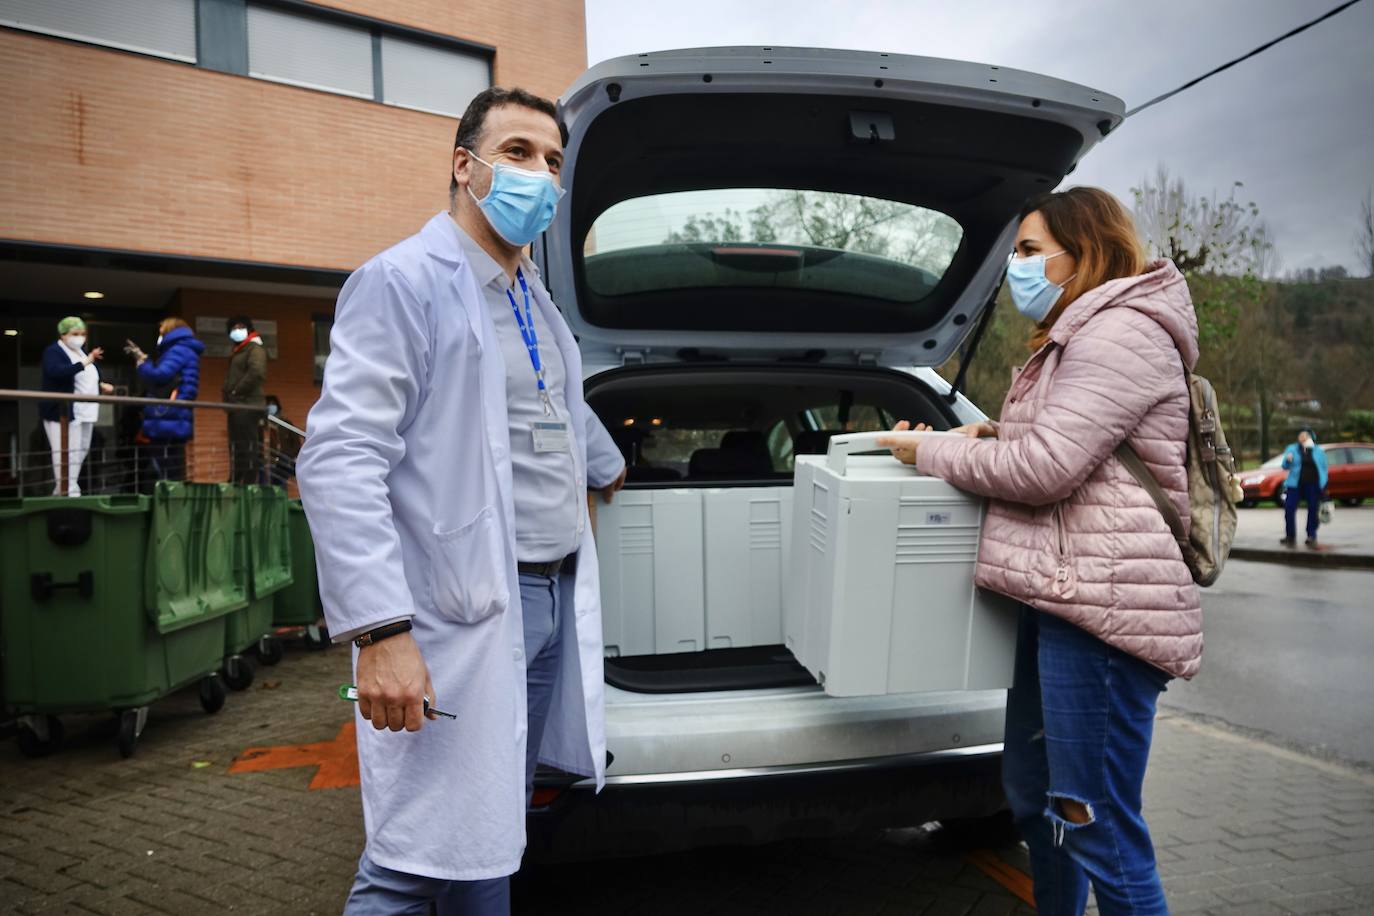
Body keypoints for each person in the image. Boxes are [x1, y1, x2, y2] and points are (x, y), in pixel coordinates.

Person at [296, 86, 627, 914]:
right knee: (414, 852)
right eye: (518, 153)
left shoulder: (532, 299)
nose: (540, 177)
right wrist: (380, 633)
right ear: (464, 166)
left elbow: (555, 406)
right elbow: (339, 457)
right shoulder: (405, 282)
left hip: (546, 594)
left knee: (490, 824)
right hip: (462, 608)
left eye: (553, 162)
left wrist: (609, 465)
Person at [879, 187, 1200, 916]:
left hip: (1106, 611)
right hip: (1063, 597)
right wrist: (982, 436)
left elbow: (1048, 469)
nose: (1014, 268)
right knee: (1035, 796)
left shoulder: (1121, 332)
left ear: (1081, 253)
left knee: (1098, 821)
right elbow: (1072, 443)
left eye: (1027, 251)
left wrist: (929, 451)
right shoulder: (1077, 337)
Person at [39, 316, 114, 495]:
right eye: (75, 333)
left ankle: (65, 488)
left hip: (86, 410)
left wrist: (100, 385)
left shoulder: (80, 352)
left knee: (80, 450)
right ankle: (68, 490)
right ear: (63, 335)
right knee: (65, 452)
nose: (79, 337)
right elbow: (57, 372)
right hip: (63, 411)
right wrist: (86, 362)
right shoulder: (54, 352)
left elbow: (84, 380)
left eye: (82, 334)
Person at [127, 318, 204, 487]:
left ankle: (168, 503)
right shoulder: (187, 349)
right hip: (177, 413)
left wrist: (142, 363)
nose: (159, 337)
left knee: (166, 467)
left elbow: (160, 375)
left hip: (167, 414)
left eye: (161, 333)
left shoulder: (177, 350)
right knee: (174, 465)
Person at [223, 316, 267, 485]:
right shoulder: (239, 350)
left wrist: (236, 390)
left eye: (240, 327)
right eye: (233, 327)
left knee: (247, 446)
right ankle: (237, 478)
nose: (237, 330)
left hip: (248, 405)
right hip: (236, 406)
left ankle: (248, 481)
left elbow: (257, 373)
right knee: (237, 446)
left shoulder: (254, 349)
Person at [1279, 427, 1328, 548]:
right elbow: (1284, 466)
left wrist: (1324, 484)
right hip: (1295, 484)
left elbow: (1324, 468)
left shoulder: (1318, 451)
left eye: (1305, 435)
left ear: (1311, 437)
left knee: (1313, 509)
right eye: (1300, 435)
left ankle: (1311, 535)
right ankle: (1290, 535)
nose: (1302, 437)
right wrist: (1288, 460)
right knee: (1289, 508)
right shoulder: (1292, 449)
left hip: (1313, 484)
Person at [263, 394, 300, 486]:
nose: (271, 407)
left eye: (273, 404)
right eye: (268, 404)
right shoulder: (263, 425)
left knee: (281, 487)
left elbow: (296, 444)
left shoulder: (286, 424)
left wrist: (288, 456)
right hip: (269, 463)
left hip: (284, 462)